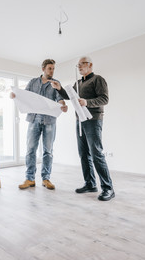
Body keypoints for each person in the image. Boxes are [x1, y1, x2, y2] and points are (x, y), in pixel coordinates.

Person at [50, 56, 115, 201]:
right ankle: (90, 184)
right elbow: (69, 95)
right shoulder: (78, 83)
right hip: (79, 120)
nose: (79, 67)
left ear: (90, 65)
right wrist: (59, 88)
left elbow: (104, 99)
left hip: (93, 120)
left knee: (96, 153)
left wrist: (87, 102)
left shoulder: (98, 79)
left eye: (82, 64)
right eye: (77, 65)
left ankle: (108, 188)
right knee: (84, 154)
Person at [11, 59, 68, 190]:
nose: (52, 71)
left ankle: (46, 179)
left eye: (53, 68)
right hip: (33, 119)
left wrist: (62, 106)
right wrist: (15, 95)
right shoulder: (32, 82)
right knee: (31, 150)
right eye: (50, 68)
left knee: (48, 151)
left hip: (50, 121)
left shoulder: (56, 83)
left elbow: (60, 99)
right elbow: (24, 96)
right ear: (43, 69)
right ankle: (29, 179)